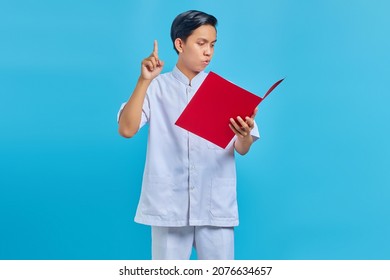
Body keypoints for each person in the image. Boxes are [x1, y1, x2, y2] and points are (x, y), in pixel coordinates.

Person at [117, 10, 259, 260]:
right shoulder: (156, 88)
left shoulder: (223, 91)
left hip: (214, 204)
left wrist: (244, 135)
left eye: (213, 45)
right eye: (201, 43)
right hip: (168, 205)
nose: (208, 52)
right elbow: (127, 129)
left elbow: (242, 147)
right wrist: (144, 81)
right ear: (179, 44)